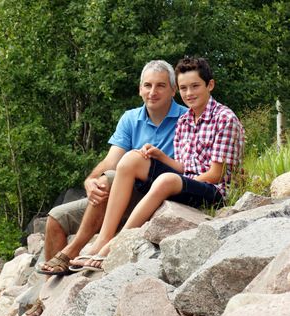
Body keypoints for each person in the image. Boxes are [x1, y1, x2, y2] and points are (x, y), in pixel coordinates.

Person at [20, 59, 187, 316]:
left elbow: (187, 167)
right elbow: (110, 162)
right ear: (139, 89)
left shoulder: (185, 119)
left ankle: (74, 250)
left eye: (160, 86)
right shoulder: (131, 118)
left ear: (173, 90)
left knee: (109, 179)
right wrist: (91, 180)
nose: (153, 92)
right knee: (56, 217)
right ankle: (46, 298)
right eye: (147, 85)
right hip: (113, 197)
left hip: (149, 199)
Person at [69, 56, 245, 271]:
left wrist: (178, 181)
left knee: (166, 179)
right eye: (184, 88)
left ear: (210, 85)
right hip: (186, 183)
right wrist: (160, 156)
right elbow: (183, 166)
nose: (189, 93)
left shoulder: (225, 119)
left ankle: (114, 245)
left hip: (214, 191)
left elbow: (216, 174)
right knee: (132, 158)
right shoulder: (185, 120)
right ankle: (102, 239)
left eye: (195, 86)